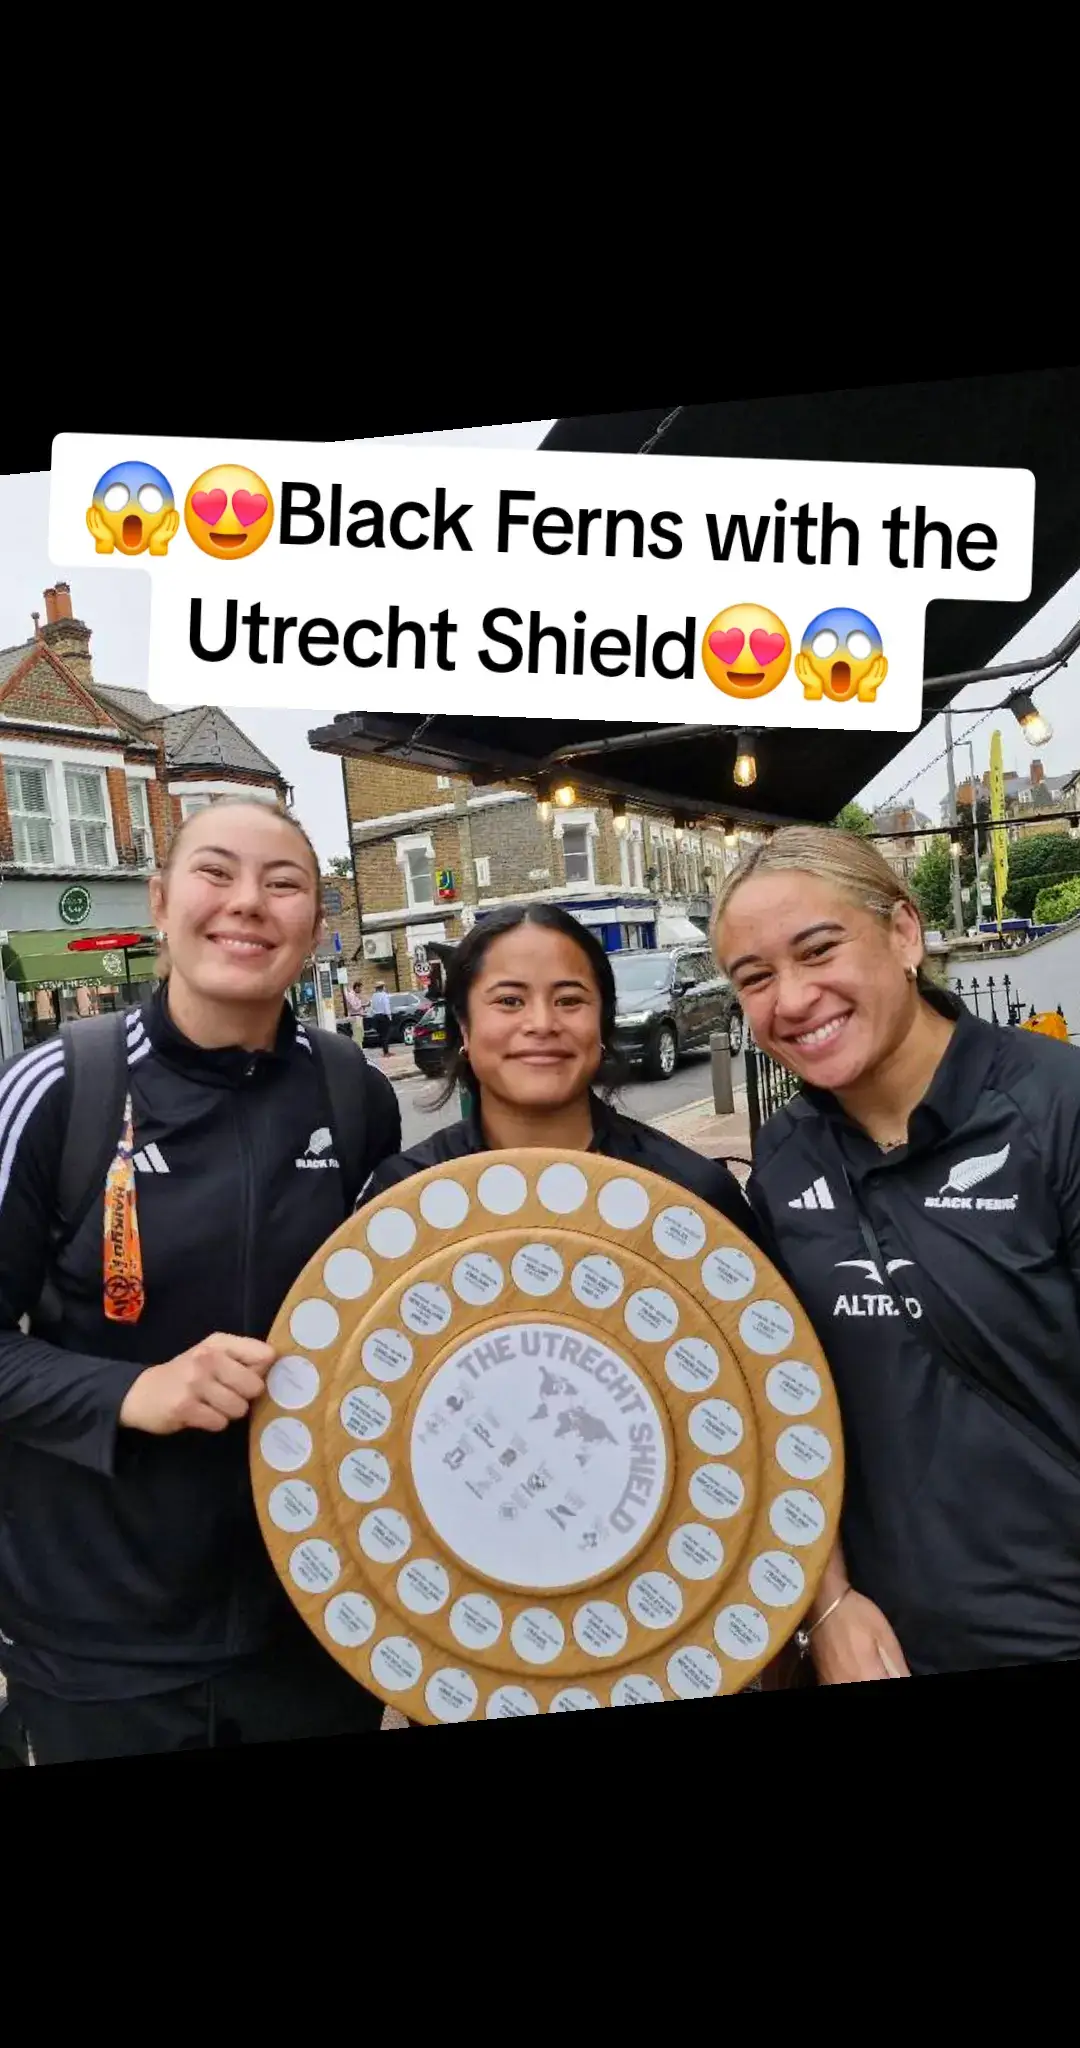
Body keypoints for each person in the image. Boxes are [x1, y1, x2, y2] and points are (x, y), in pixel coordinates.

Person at [0, 798, 402, 1766]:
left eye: (284, 883)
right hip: (100, 1650)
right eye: (215, 873)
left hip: (314, 1627)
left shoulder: (354, 1096)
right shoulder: (61, 1089)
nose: (247, 904)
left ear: (316, 923)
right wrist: (131, 1390)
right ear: (161, 898)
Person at [712, 823, 1080, 1685]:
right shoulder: (788, 1151)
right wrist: (829, 1601)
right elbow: (781, 1395)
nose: (792, 999)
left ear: (905, 934)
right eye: (755, 978)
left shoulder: (1053, 1108)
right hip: (876, 1642)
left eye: (818, 950)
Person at [361, 902, 759, 1239]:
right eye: (510, 1001)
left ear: (602, 1024)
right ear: (465, 1027)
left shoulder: (691, 1196)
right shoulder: (402, 1202)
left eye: (569, 1000)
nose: (542, 1023)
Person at [369, 982, 393, 1058]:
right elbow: (386, 1006)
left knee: (381, 1035)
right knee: (386, 1034)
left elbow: (372, 1007)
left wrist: (373, 1015)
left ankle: (385, 1051)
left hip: (376, 1017)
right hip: (383, 1016)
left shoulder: (373, 996)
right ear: (382, 987)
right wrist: (389, 1016)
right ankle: (386, 1052)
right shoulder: (384, 995)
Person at [345, 980, 366, 1045]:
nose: (361, 990)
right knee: (357, 1037)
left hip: (358, 1017)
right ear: (357, 987)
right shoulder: (351, 995)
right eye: (360, 988)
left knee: (359, 1036)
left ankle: (359, 1051)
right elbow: (355, 1007)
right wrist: (363, 1005)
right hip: (355, 1017)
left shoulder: (355, 995)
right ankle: (358, 1052)